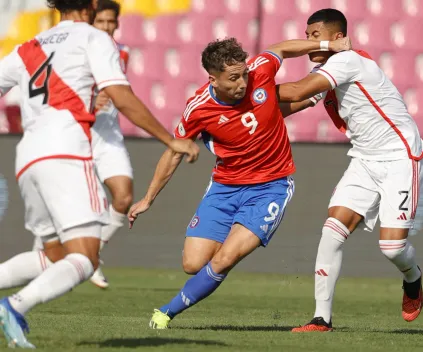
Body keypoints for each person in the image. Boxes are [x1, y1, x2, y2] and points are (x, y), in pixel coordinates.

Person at [0, 0, 198, 348]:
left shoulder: (28, 47)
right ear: (91, 5)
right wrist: (171, 140)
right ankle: (15, 306)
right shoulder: (93, 38)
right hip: (66, 152)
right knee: (85, 259)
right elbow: (121, 95)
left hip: (28, 156)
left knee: (55, 256)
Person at [127, 36, 351, 329]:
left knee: (224, 259)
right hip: (224, 188)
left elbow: (281, 49)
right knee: (193, 265)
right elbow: (174, 153)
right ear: (213, 79)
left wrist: (326, 45)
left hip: (271, 187)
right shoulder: (198, 109)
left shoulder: (260, 70)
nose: (243, 82)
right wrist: (148, 198)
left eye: (244, 73)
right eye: (233, 78)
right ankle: (211, 274)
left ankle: (165, 313)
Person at [276, 9, 423, 332]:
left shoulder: (348, 62)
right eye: (306, 34)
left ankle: (412, 278)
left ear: (338, 37)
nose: (308, 41)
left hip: (400, 158)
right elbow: (292, 105)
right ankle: (321, 318)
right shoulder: (328, 69)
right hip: (364, 159)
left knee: (392, 248)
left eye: (315, 35)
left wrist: (251, 91)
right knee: (332, 229)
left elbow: (295, 91)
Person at [32, 0, 131, 289]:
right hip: (75, 131)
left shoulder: (121, 51)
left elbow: (117, 89)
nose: (108, 27)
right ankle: (44, 256)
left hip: (107, 133)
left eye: (112, 22)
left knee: (122, 198)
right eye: (102, 22)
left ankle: (92, 256)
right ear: (90, 20)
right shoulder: (71, 48)